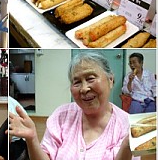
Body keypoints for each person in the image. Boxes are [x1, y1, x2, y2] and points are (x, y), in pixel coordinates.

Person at [9, 52, 139, 160]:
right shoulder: (62, 115)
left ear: (111, 80)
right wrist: (32, 140)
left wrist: (127, 146)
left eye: (90, 79)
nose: (84, 88)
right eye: (76, 82)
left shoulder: (127, 126)